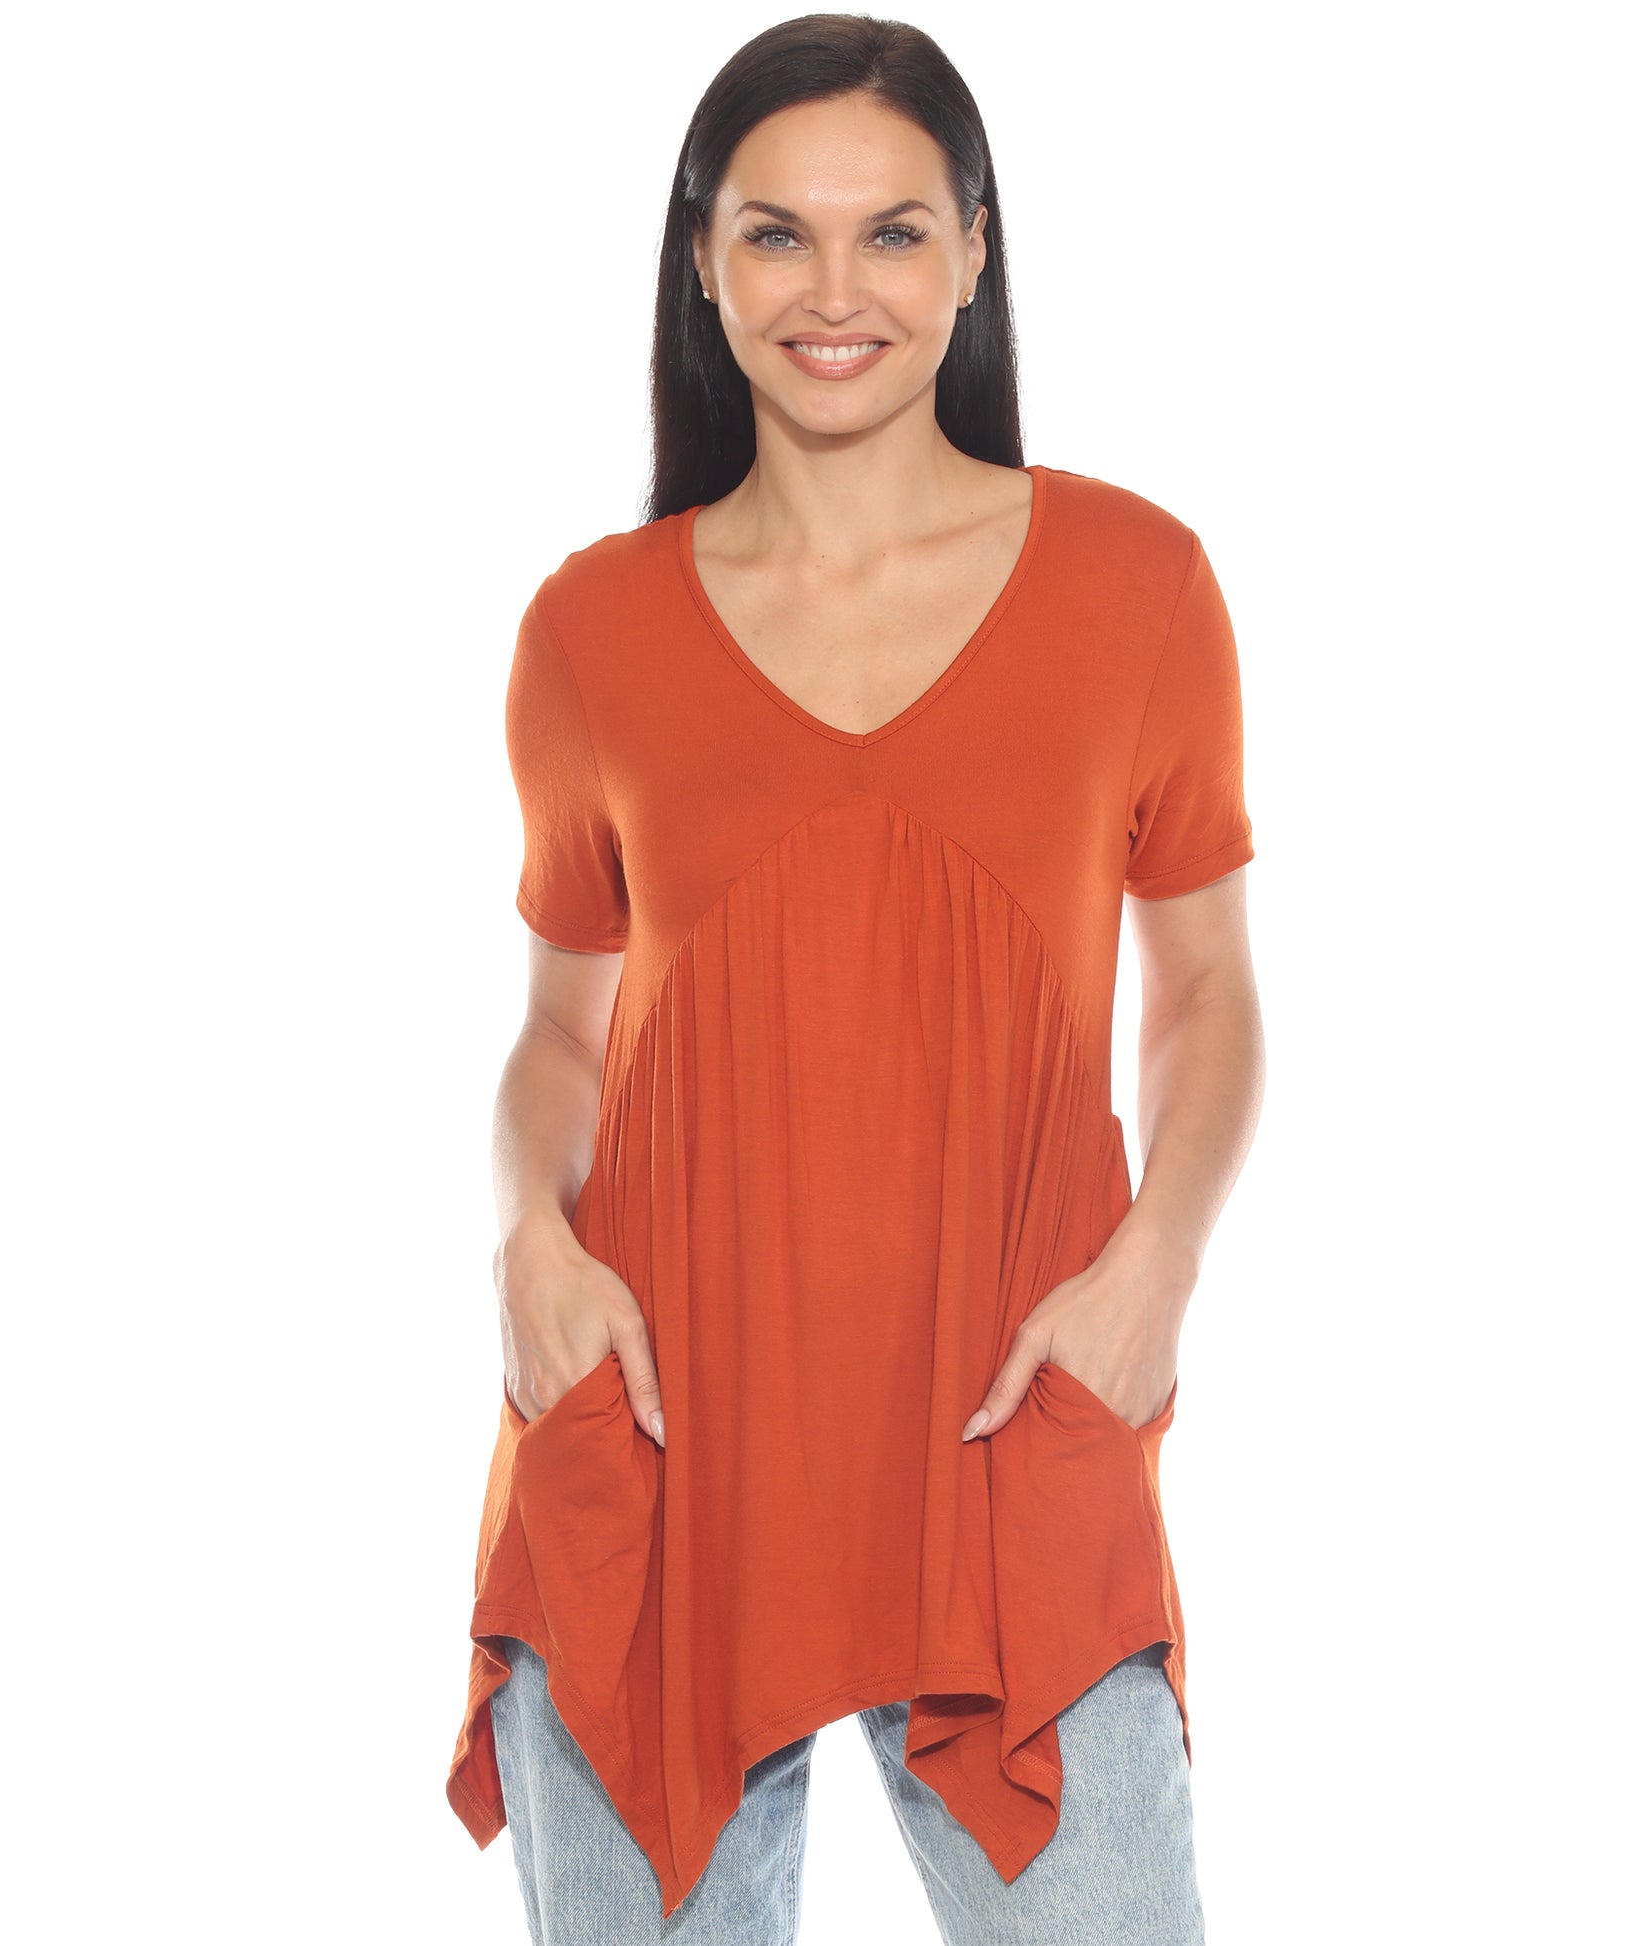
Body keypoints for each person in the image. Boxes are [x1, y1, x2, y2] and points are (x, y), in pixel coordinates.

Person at [445, 15, 1264, 1942]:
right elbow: (560, 1027)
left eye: (891, 232)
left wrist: (1154, 1270)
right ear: (702, 262)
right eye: (775, 234)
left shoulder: (1138, 586)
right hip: (658, 1448)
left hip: (1013, 1421)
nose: (835, 292)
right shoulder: (589, 626)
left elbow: (1208, 992)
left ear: (974, 251)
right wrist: (527, 1239)